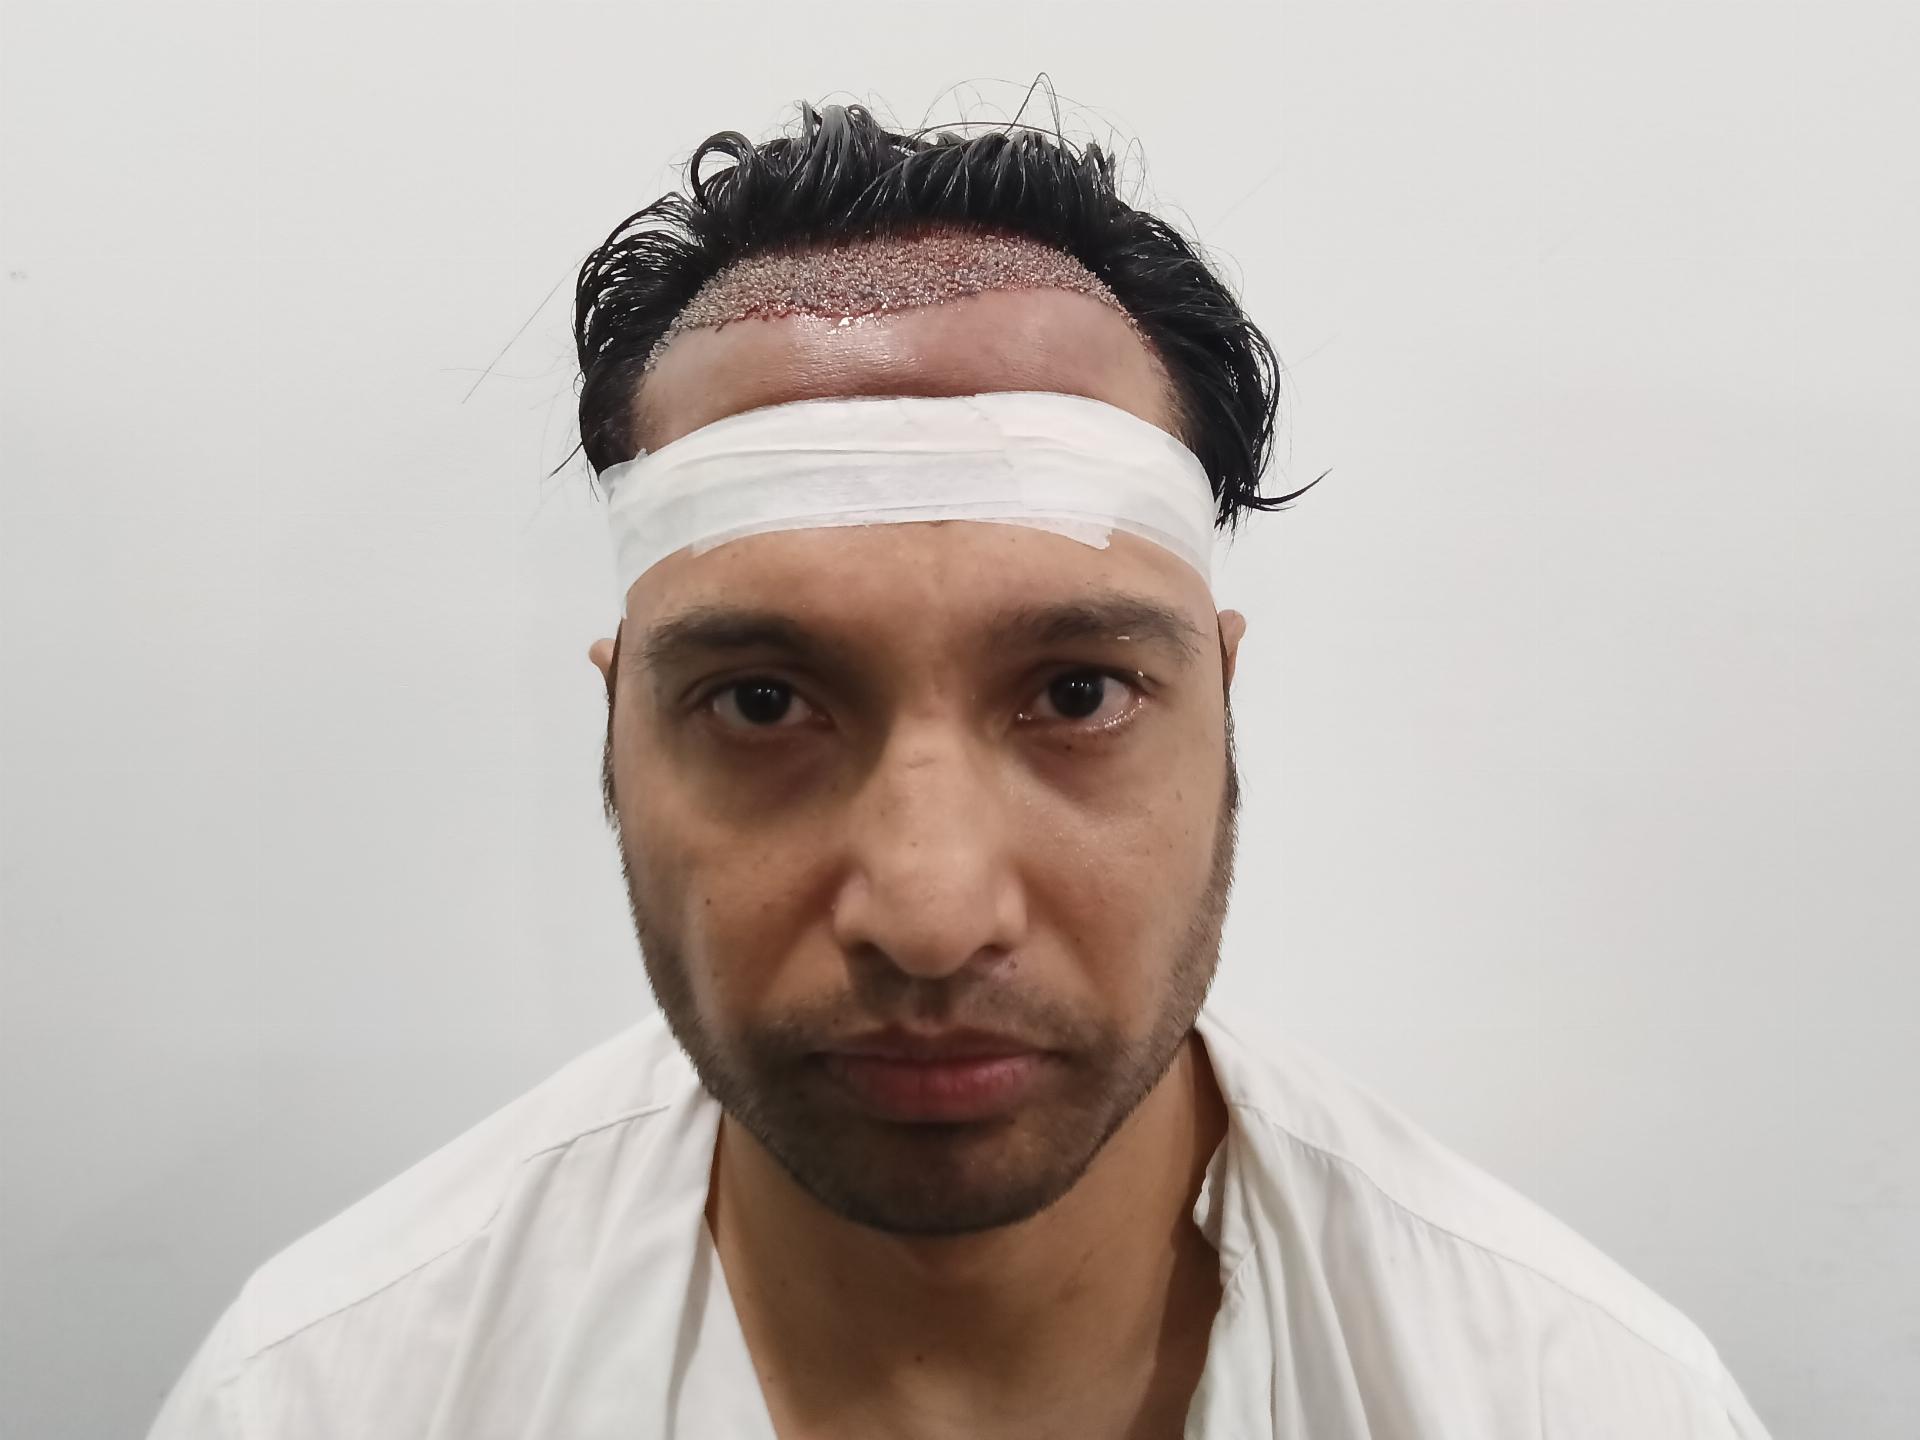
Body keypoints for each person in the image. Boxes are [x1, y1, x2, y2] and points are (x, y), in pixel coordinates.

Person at [150, 101, 1772, 1440]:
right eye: (764, 703)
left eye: (1076, 691)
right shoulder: (330, 1395)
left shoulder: (1569, 1397)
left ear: (1221, 706)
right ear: (617, 729)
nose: (930, 917)